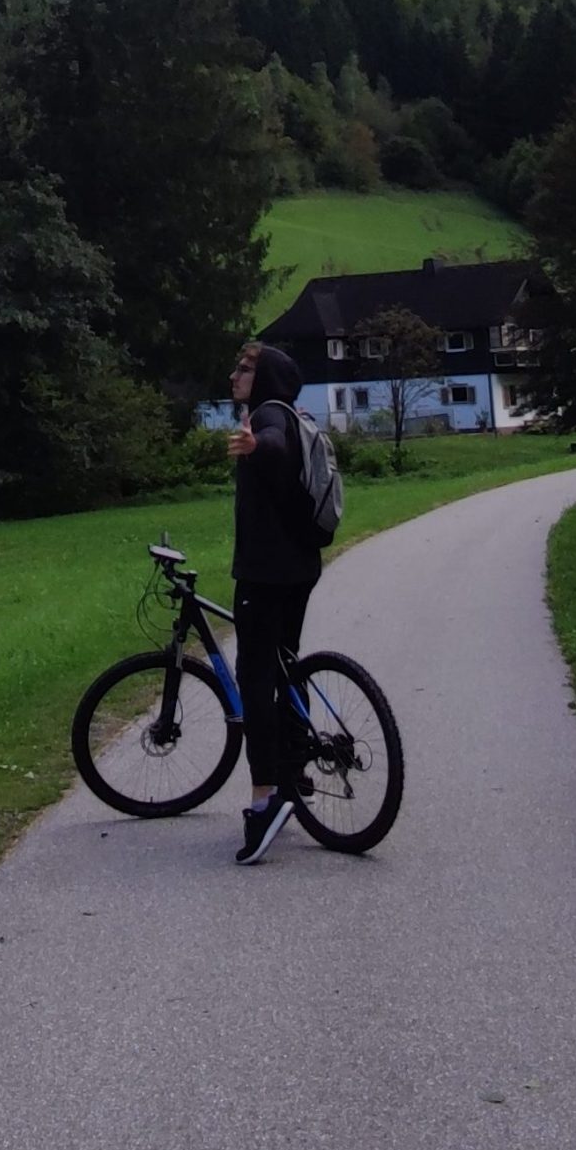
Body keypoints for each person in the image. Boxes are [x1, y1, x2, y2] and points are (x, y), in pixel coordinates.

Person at [225, 340, 323, 866]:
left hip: (264, 574)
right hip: (301, 568)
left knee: (255, 680)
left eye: (244, 368)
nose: (235, 375)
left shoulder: (267, 417)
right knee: (287, 663)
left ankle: (264, 802)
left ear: (266, 379)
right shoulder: (287, 412)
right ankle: (297, 768)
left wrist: (255, 447)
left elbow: (275, 447)